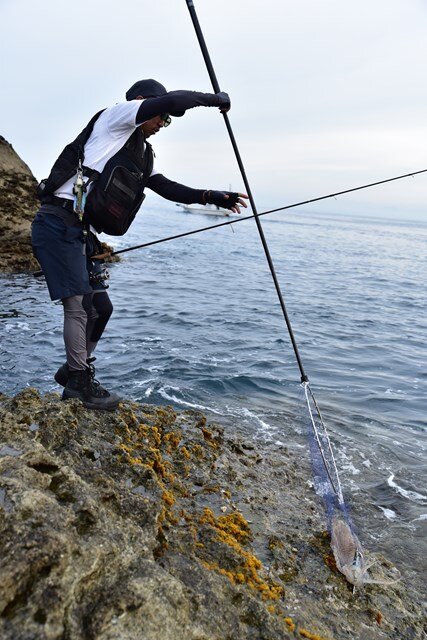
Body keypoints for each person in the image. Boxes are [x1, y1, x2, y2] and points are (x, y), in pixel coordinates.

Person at [31, 79, 248, 411]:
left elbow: (167, 187)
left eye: (167, 119)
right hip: (57, 222)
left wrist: (212, 198)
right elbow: (174, 99)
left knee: (101, 308)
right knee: (77, 306)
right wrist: (211, 100)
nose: (163, 123)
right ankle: (78, 383)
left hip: (78, 231)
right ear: (142, 102)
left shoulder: (139, 152)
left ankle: (74, 367)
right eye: (161, 116)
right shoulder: (116, 117)